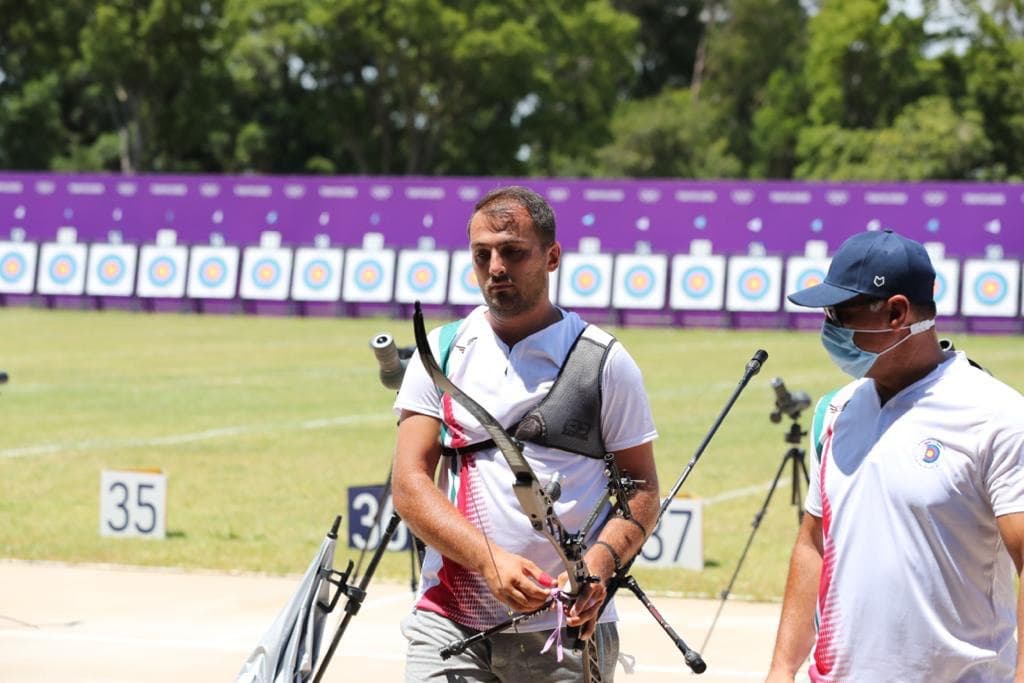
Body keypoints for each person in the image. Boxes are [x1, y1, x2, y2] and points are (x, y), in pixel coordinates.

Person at [392, 185, 660, 682]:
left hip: (566, 627)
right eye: (482, 254)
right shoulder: (442, 351)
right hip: (449, 619)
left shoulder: (603, 360)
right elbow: (409, 484)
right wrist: (487, 560)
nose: (495, 267)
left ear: (552, 256)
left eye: (513, 252)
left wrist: (597, 568)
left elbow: (641, 490)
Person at [766, 229, 1024, 682]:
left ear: (896, 313)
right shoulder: (837, 410)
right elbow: (813, 544)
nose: (829, 329)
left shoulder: (995, 414)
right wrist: (782, 669)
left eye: (840, 314)